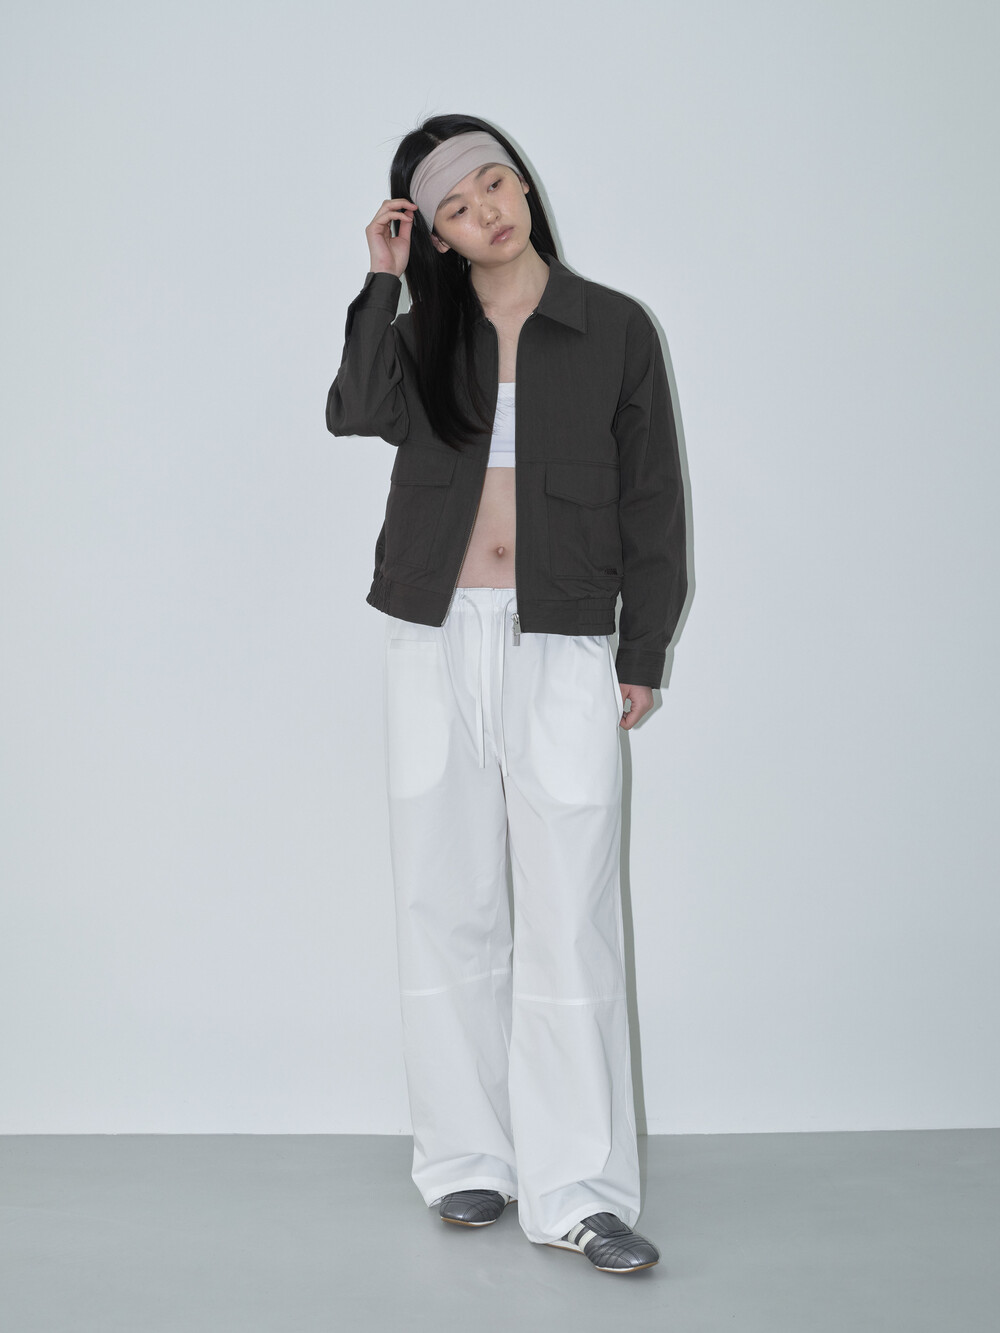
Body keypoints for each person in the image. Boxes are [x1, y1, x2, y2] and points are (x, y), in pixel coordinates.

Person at [326, 115, 687, 1275]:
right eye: (455, 205)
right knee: (445, 897)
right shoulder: (421, 331)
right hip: (432, 635)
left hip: (565, 640)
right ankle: (466, 1159)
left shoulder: (614, 327)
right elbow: (352, 408)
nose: (487, 208)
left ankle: (579, 1191)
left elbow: (653, 498)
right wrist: (382, 284)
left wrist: (643, 647)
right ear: (433, 233)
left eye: (495, 182)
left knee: (569, 912)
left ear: (521, 186)